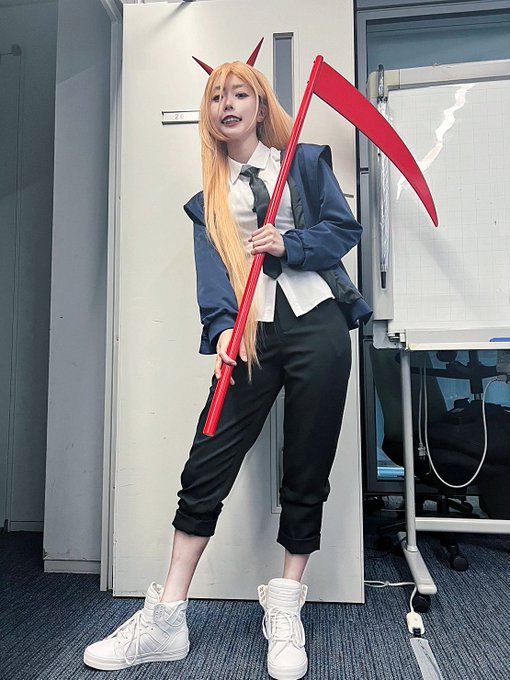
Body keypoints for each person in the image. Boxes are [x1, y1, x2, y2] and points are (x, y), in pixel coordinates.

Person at [83, 58, 370, 680]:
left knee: (308, 463)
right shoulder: (209, 199)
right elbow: (213, 277)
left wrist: (290, 243)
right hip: (250, 333)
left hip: (317, 323)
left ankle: (286, 603)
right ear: (209, 116)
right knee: (207, 459)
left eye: (240, 94)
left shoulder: (303, 162)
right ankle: (167, 618)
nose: (227, 104)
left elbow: (343, 230)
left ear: (260, 106)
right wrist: (219, 332)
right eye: (217, 96)